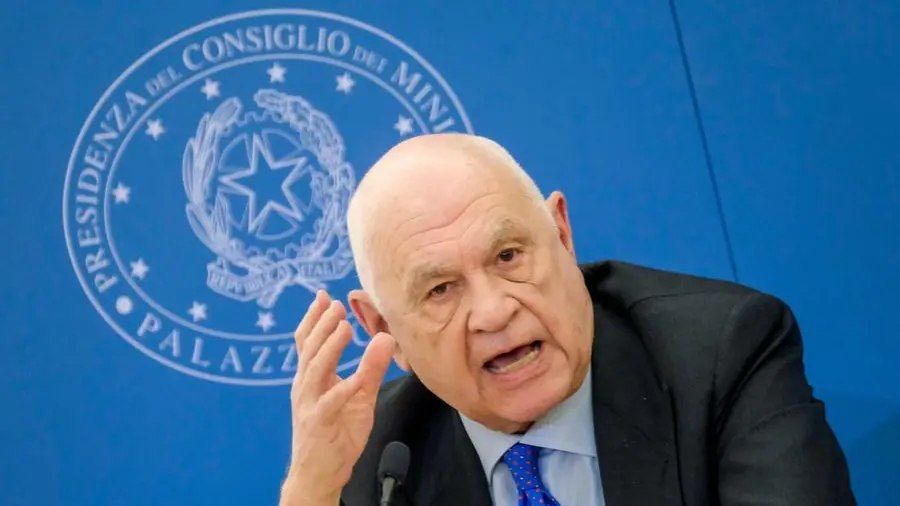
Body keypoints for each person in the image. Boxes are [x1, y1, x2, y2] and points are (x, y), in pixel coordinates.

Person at [279, 133, 856, 506]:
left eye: (508, 256)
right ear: (384, 330)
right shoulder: (372, 455)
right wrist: (311, 487)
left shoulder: (718, 355)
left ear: (561, 234)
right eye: (440, 289)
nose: (493, 311)